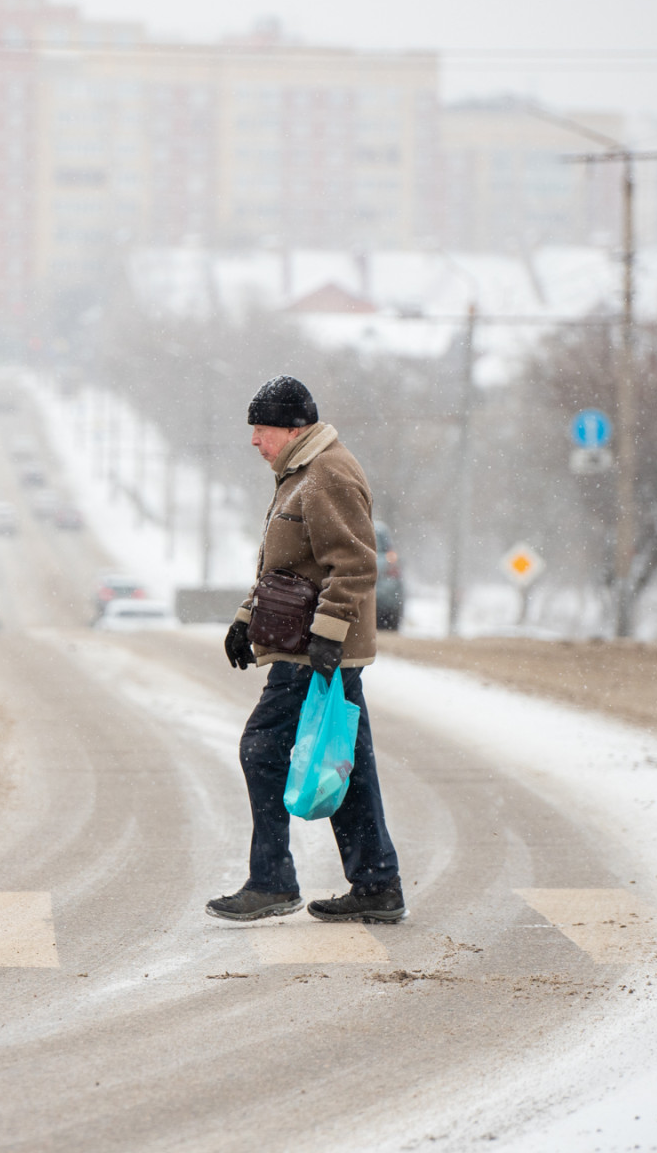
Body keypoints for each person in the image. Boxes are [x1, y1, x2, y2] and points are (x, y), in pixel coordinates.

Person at [208, 375, 405, 925]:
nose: (254, 441)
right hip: (304, 645)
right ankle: (377, 884)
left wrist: (328, 635)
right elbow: (287, 567)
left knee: (261, 750)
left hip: (314, 653)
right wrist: (246, 620)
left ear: (293, 429)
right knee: (347, 766)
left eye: (261, 429)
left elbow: (356, 565)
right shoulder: (299, 473)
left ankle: (272, 881)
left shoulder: (328, 475)